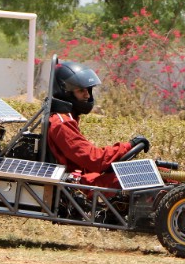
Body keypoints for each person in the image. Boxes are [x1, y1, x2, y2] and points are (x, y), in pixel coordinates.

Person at [46, 60, 149, 190]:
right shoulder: (61, 124)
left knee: (154, 171)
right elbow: (95, 159)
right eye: (81, 90)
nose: (87, 95)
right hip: (79, 186)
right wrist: (129, 145)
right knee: (140, 177)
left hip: (84, 179)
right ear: (66, 92)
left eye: (88, 90)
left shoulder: (65, 119)